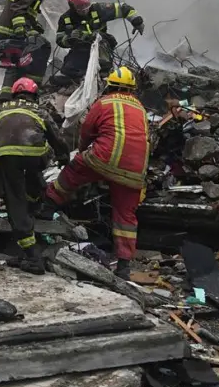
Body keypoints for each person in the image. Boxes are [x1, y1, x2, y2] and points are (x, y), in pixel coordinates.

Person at [45, 67, 150, 280]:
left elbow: (86, 130)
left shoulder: (104, 103)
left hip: (104, 158)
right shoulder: (140, 107)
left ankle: (46, 206)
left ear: (109, 85)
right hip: (135, 170)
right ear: (133, 89)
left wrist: (83, 151)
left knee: (72, 173)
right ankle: (123, 266)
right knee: (126, 217)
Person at [0, 79, 69, 273]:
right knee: (33, 168)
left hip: (3, 155)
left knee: (15, 202)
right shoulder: (39, 110)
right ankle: (36, 201)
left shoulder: (0, 110)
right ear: (34, 95)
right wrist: (64, 156)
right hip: (35, 156)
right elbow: (56, 137)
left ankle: (32, 254)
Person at [52, 0, 143, 87]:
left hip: (102, 47)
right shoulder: (66, 19)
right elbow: (59, 39)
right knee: (67, 73)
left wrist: (136, 20)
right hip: (80, 51)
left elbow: (124, 8)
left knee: (101, 40)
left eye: (86, 5)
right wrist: (69, 39)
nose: (84, 9)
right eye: (80, 7)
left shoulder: (99, 9)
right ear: (72, 6)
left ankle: (104, 73)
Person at [0, 0, 60, 87]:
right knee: (35, 52)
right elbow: (17, 7)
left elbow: (26, 12)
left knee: (17, 64)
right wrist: (20, 28)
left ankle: (16, 91)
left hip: (7, 31)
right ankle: (30, 87)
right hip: (10, 31)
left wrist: (34, 25)